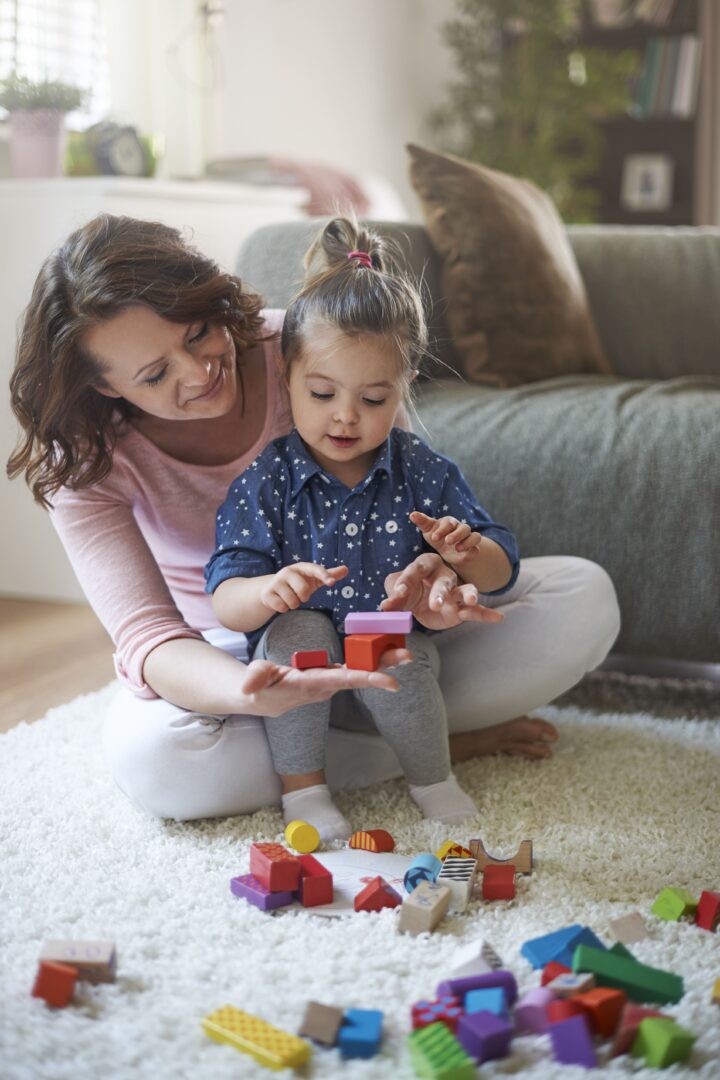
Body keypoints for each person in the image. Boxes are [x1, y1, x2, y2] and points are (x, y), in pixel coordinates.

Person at [7, 213, 620, 823]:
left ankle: (363, 742)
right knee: (162, 762)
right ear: (107, 386)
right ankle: (416, 750)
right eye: (156, 374)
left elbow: (403, 499)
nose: (199, 373)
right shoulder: (84, 459)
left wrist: (435, 577)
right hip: (237, 649)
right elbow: (150, 639)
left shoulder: (311, 350)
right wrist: (251, 690)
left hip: (387, 632)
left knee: (583, 596)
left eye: (197, 332)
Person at [204, 217, 522, 840]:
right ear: (286, 376)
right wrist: (264, 592)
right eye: (322, 393)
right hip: (300, 680)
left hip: (396, 669)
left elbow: (504, 565)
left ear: (404, 388)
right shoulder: (265, 479)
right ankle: (306, 792)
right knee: (297, 629)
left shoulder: (421, 470)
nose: (346, 416)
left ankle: (432, 779)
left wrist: (465, 555)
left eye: (374, 400)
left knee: (395, 648)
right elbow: (225, 592)